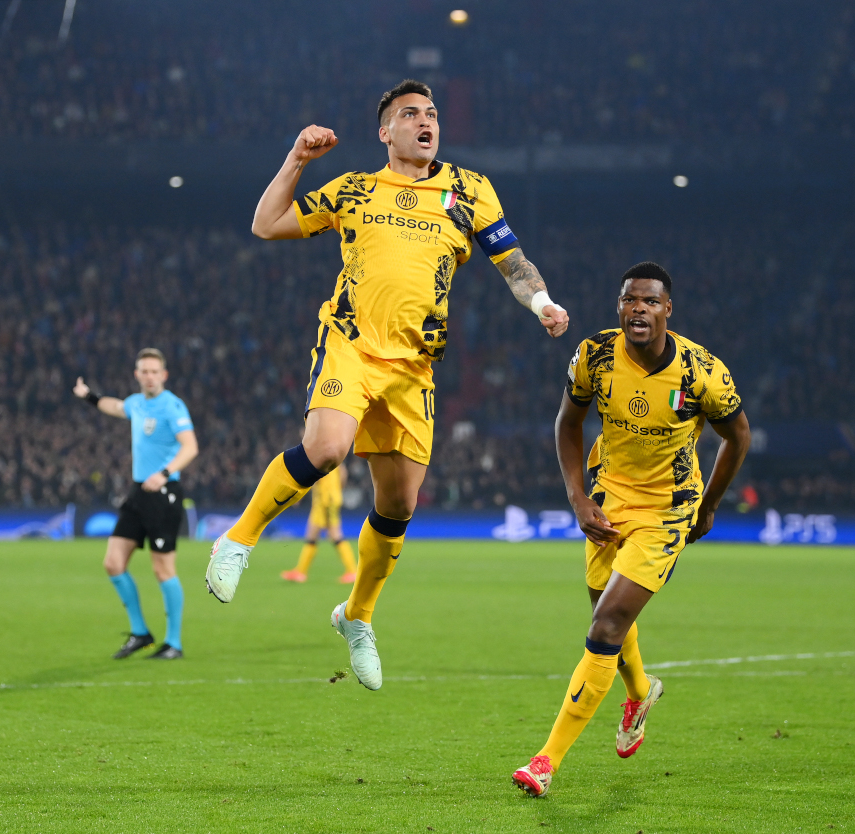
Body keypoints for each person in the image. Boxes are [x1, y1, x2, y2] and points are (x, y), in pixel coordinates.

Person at [204, 79, 570, 690]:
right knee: (326, 449)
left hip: (414, 367)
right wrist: (296, 159)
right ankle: (236, 541)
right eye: (410, 115)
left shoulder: (469, 190)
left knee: (398, 504)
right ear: (387, 132)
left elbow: (513, 263)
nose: (425, 122)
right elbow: (266, 225)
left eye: (430, 114)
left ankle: (356, 616)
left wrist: (543, 304)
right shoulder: (354, 189)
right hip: (351, 343)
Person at [511, 263, 750, 797]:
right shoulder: (595, 354)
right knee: (604, 607)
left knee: (606, 624)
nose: (637, 309)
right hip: (608, 499)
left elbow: (737, 436)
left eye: (649, 301)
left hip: (667, 508)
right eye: (628, 300)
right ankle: (640, 692)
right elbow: (567, 422)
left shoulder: (701, 373)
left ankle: (546, 761)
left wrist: (708, 506)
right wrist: (577, 498)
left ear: (668, 310)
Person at [73, 348, 198, 660]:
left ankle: (174, 643)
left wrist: (166, 473)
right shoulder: (137, 404)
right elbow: (113, 406)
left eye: (155, 371)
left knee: (163, 568)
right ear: (137, 374)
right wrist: (88, 395)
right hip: (139, 492)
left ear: (164, 375)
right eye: (144, 371)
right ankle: (141, 633)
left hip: (165, 492)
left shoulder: (173, 406)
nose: (150, 376)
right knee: (113, 563)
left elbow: (190, 447)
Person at [280, 462, 357, 584]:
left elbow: (312, 475)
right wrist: (337, 489)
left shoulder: (322, 453)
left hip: (325, 500)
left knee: (335, 534)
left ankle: (352, 571)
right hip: (326, 498)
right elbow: (343, 473)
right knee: (312, 534)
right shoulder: (335, 456)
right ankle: (301, 571)